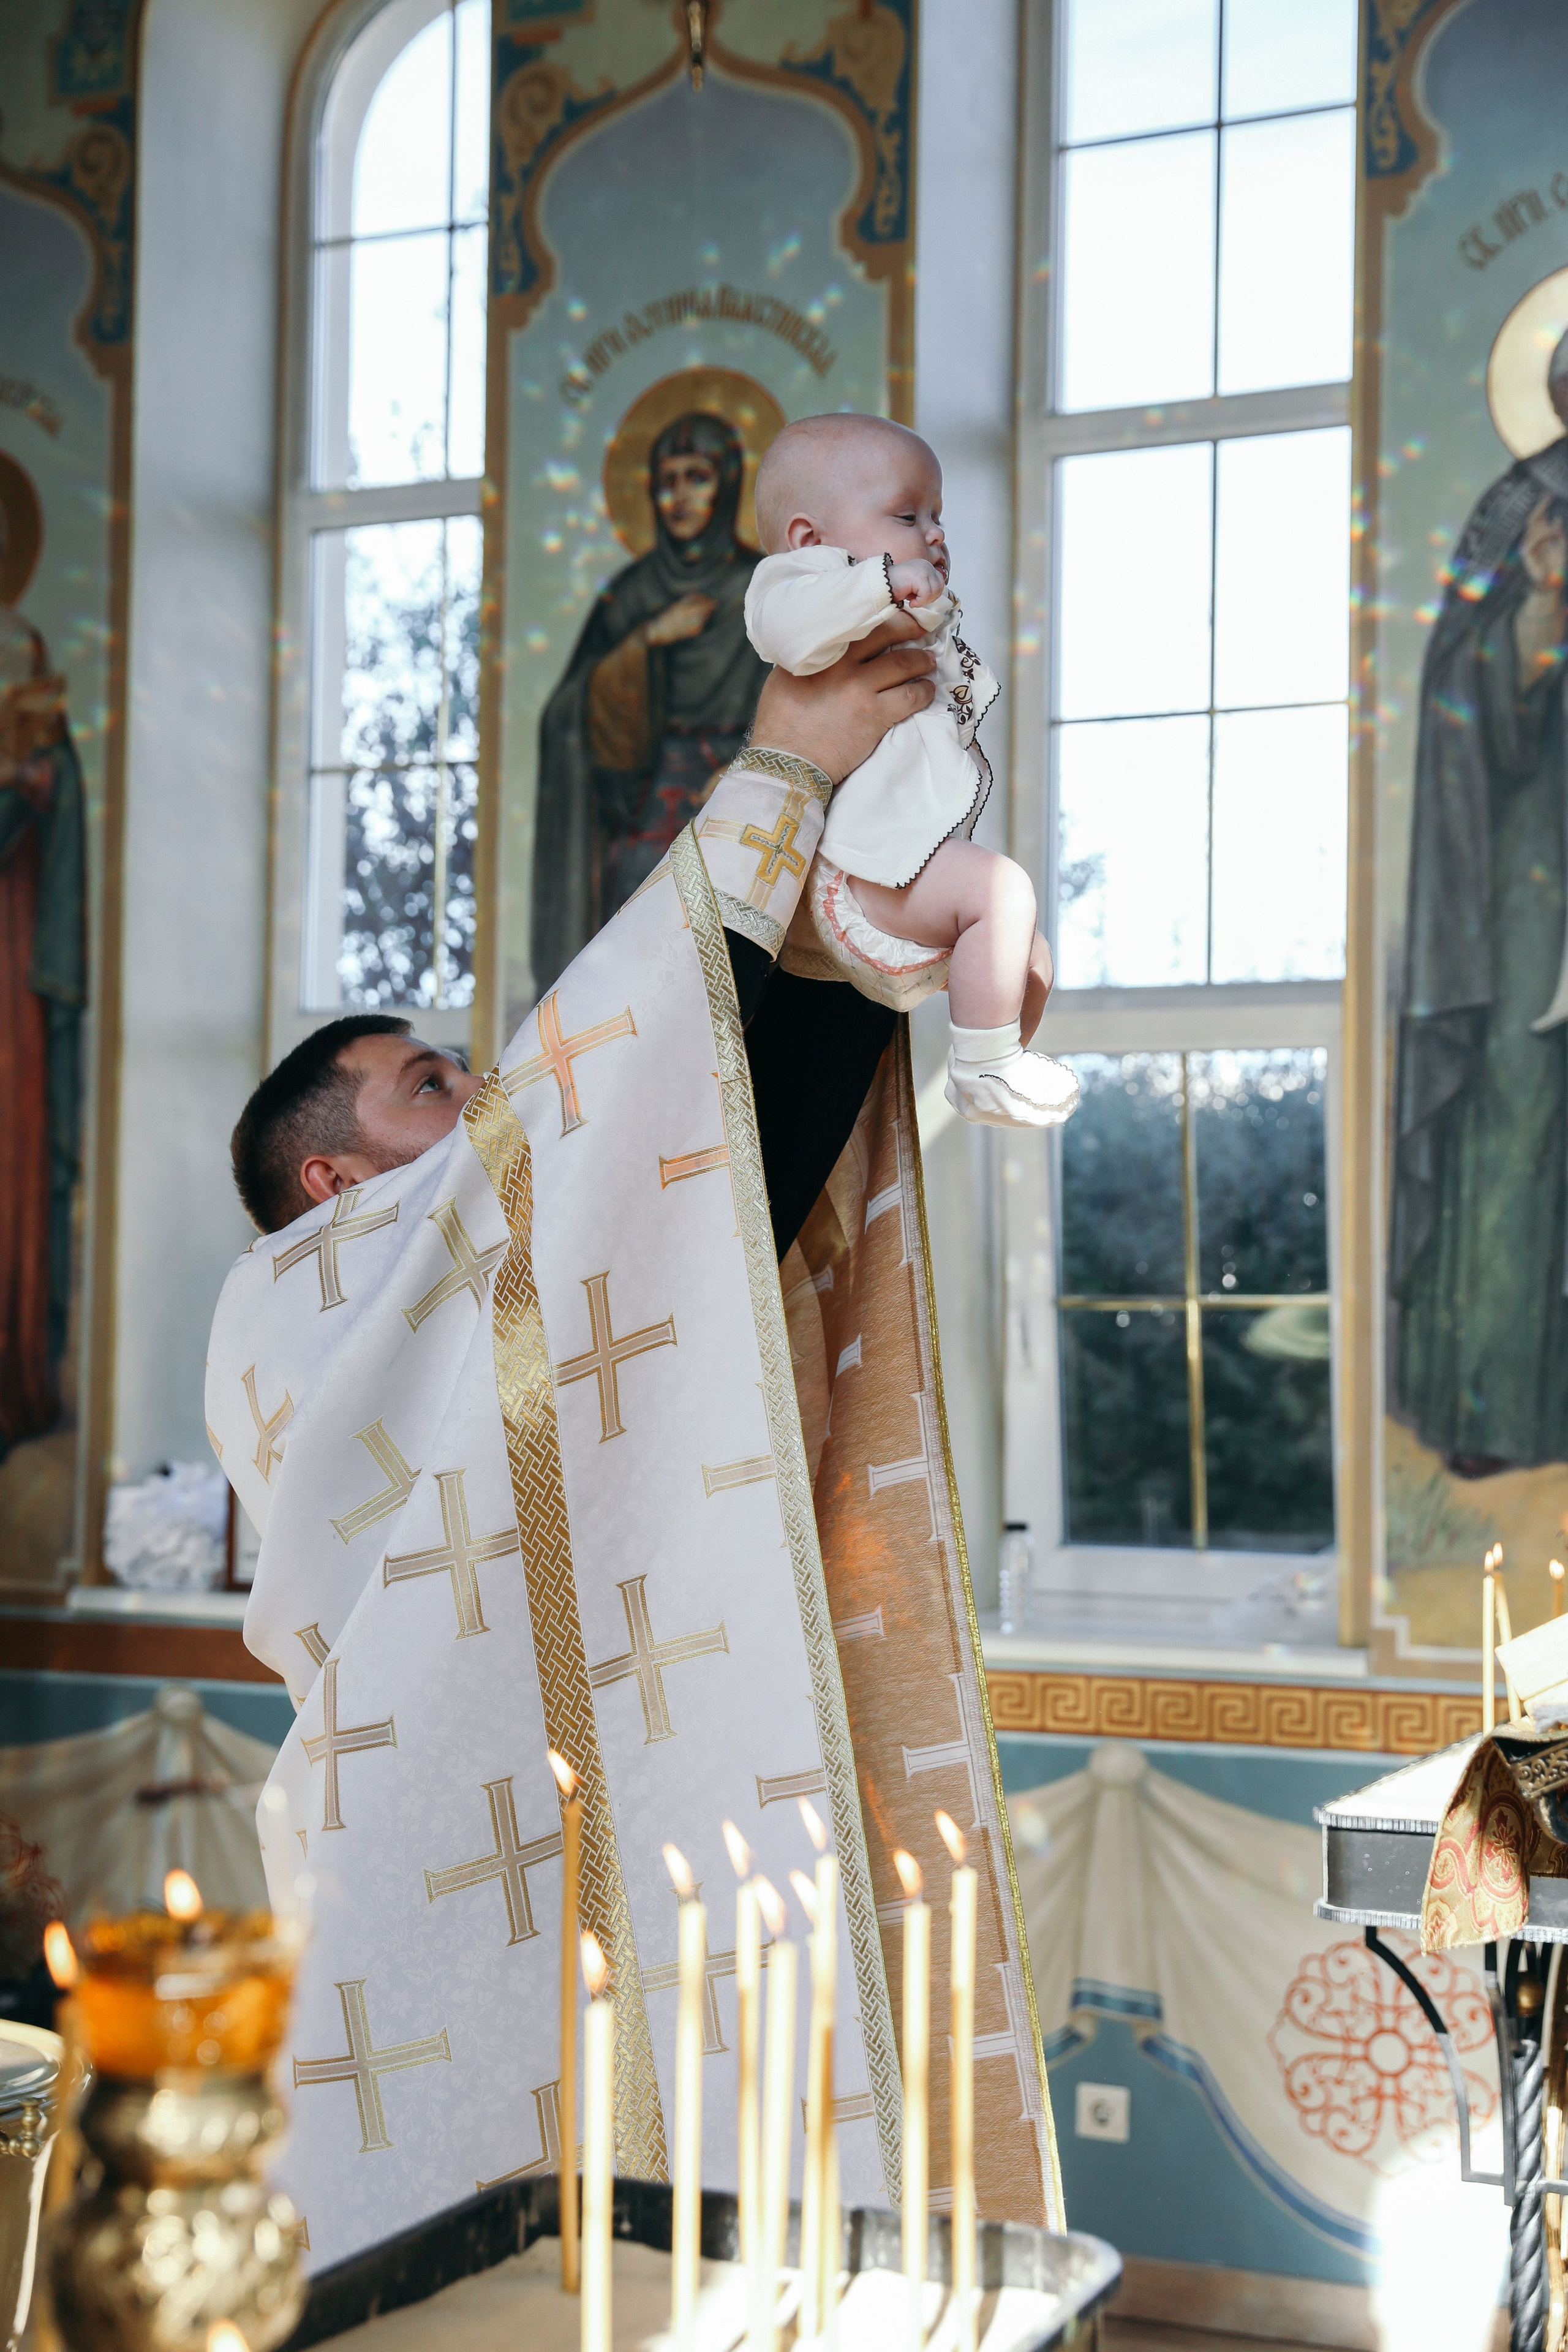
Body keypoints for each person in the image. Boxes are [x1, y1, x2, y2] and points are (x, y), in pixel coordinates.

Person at [209, 618, 1061, 2267]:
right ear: (330, 1178)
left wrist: (835, 911)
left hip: (600, 1751)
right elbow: (597, 1118)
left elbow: (704, 1158)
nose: (475, 1096)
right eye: (424, 1084)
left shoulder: (497, 1262)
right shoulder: (301, 1293)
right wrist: (777, 776)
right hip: (415, 1808)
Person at [747, 413, 1077, 1131]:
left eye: (937, 517)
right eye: (906, 515)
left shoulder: (892, 608)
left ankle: (995, 1060)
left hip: (897, 864)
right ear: (810, 540)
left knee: (1030, 951)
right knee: (1002, 888)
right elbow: (785, 629)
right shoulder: (806, 588)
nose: (934, 535)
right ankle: (983, 1069)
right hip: (860, 872)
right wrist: (882, 584)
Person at [1393, 333, 1568, 1474]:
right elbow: (1459, 692)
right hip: (1532, 888)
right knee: (1514, 1127)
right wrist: (1543, 611)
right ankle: (1505, 1411)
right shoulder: (1523, 505)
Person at [532, 411, 769, 994]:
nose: (680, 497)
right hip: (646, 811)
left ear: (729, 484)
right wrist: (645, 641)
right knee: (638, 977)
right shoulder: (631, 595)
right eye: (667, 481)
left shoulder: (762, 588)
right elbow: (566, 715)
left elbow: (807, 702)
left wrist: (745, 769)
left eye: (698, 477)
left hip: (739, 797)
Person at [0, 453, 85, 1458]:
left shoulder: (23, 649)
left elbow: (57, 782)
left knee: (16, 1150)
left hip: (11, 933)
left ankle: (17, 1364)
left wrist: (36, 777)